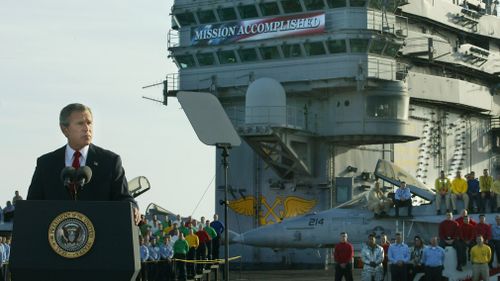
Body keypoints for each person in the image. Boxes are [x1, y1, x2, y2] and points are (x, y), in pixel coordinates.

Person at [26, 103, 140, 224]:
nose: (87, 128)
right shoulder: (46, 164)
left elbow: (123, 197)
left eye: (89, 123)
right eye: (80, 123)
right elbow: (32, 205)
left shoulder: (110, 161)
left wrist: (132, 207)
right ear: (65, 129)